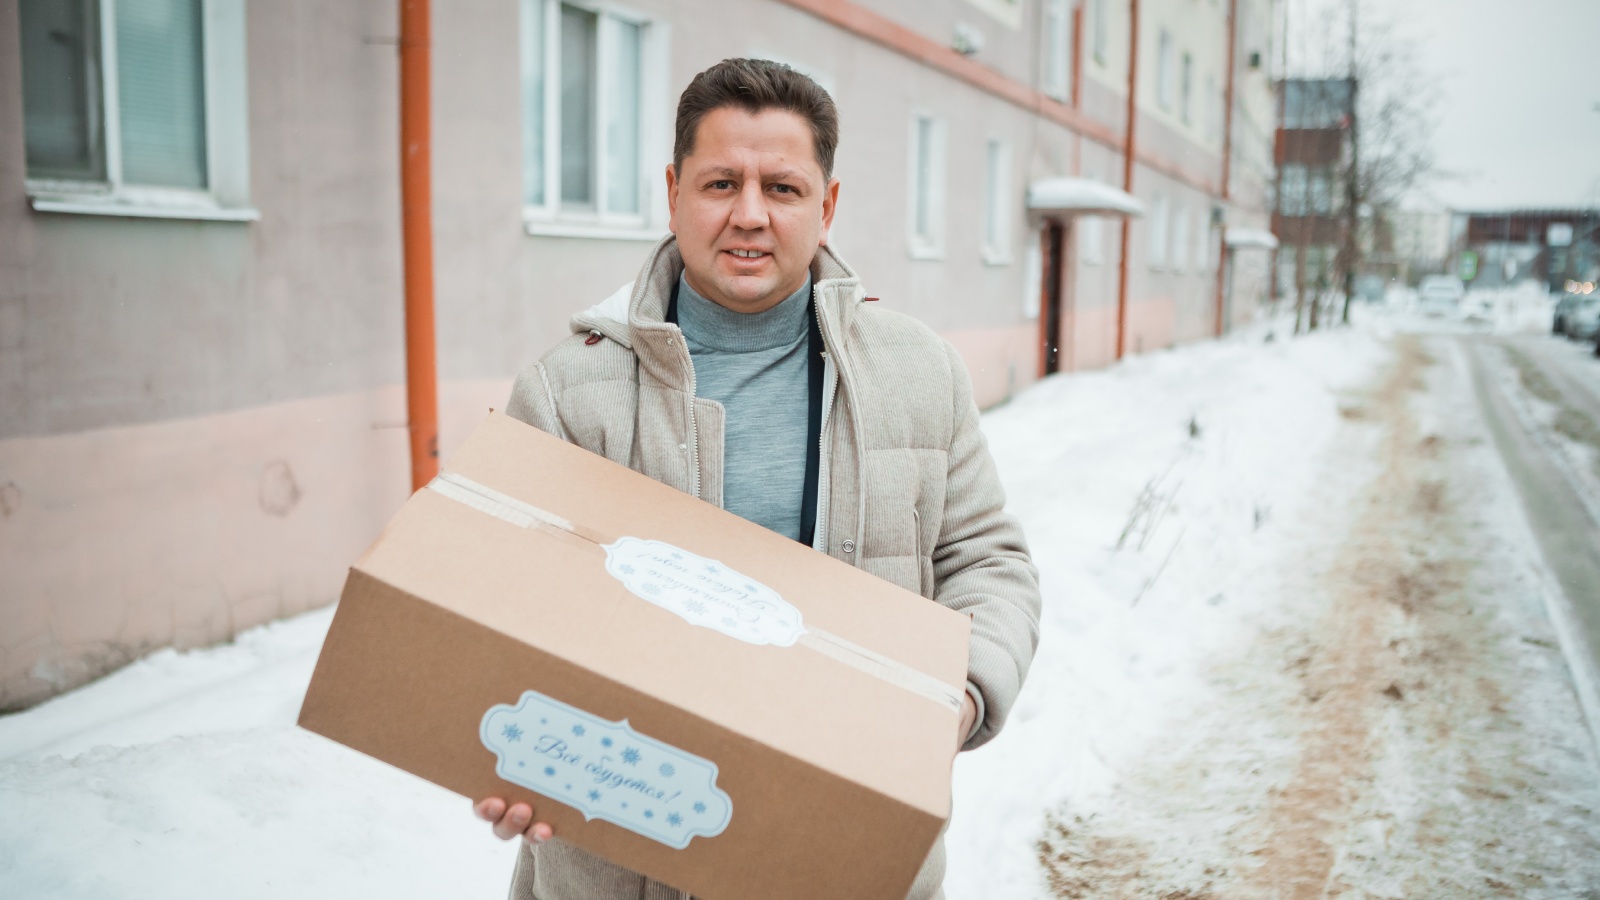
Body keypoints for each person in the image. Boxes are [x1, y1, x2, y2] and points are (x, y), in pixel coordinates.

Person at [475, 57, 1041, 900]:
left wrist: (956, 699)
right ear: (674, 192)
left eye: (781, 187)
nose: (749, 214)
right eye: (720, 183)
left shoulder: (919, 373)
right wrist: (505, 747)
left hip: (852, 854)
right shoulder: (569, 391)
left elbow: (988, 562)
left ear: (827, 205)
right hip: (624, 860)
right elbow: (496, 605)